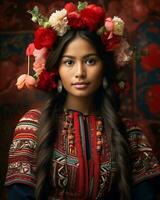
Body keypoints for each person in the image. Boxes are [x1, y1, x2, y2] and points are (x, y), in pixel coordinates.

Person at [5, 1, 160, 200]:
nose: (80, 72)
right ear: (56, 70)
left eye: (90, 61)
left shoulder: (129, 132)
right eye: (69, 62)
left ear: (104, 66)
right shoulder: (32, 126)